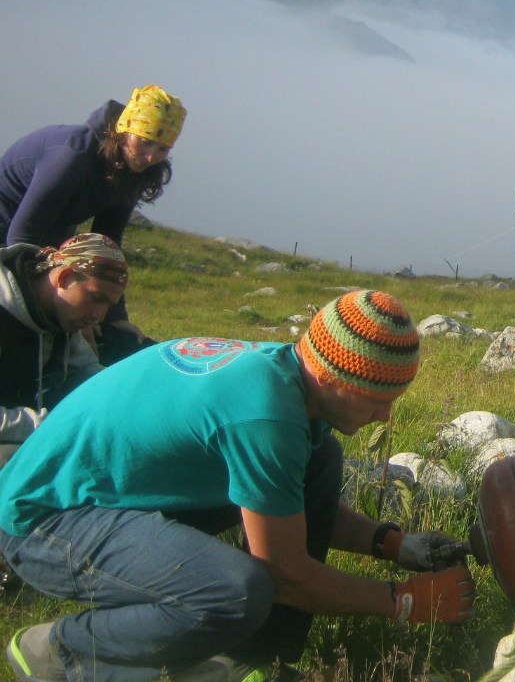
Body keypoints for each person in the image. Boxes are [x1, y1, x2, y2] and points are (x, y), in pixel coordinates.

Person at [1, 289, 475, 682]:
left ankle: (252, 659)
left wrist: (393, 544)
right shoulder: (265, 414)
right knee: (237, 590)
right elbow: (284, 574)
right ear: (331, 376)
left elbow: (284, 503)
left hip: (106, 494)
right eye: (377, 400)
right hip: (42, 520)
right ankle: (60, 651)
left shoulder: (287, 376)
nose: (386, 416)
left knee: (321, 457)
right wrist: (405, 601)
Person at [0, 84, 186, 363]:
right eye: (145, 141)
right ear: (125, 130)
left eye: (162, 148)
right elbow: (22, 235)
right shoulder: (72, 156)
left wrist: (115, 317)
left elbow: (107, 242)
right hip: (10, 224)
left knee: (82, 317)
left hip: (54, 229)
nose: (151, 156)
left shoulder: (132, 168)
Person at [0, 233, 128, 468]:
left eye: (108, 305)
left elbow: (87, 374)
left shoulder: (60, 315)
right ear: (64, 277)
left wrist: (125, 397)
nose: (98, 316)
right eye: (96, 298)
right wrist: (51, 425)